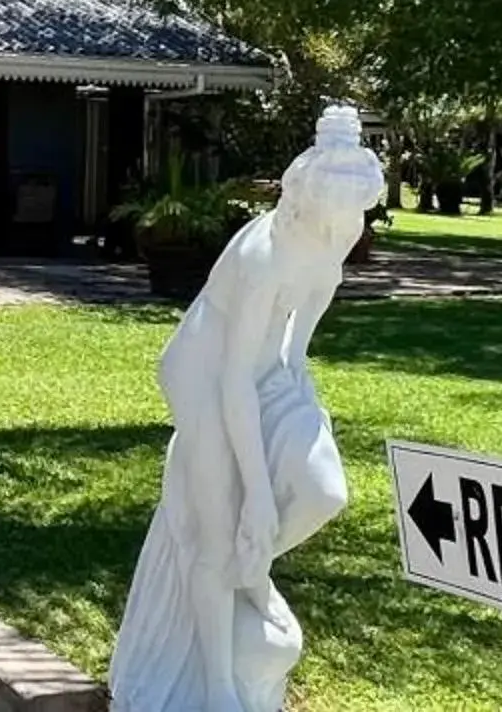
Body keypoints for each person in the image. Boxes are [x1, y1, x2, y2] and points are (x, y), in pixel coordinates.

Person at [110, 106, 385, 712]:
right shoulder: (268, 254)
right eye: (337, 200)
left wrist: (303, 415)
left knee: (324, 492)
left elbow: (296, 350)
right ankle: (216, 682)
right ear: (308, 191)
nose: (348, 218)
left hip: (266, 370)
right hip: (206, 373)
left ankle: (248, 568)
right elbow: (231, 376)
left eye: (356, 203)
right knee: (220, 518)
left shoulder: (334, 241)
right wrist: (257, 493)